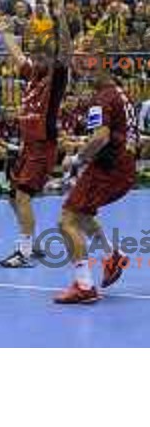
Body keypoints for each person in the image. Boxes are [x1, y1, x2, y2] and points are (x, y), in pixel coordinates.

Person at [55, 53, 138, 303]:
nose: (85, 72)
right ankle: (113, 255)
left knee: (66, 221)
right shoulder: (120, 94)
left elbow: (100, 138)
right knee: (83, 214)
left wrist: (77, 159)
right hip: (123, 167)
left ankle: (84, 286)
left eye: (90, 67)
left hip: (107, 169)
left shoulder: (101, 99)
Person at [0, 14, 69, 268]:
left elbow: (65, 55)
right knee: (12, 196)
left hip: (42, 146)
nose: (37, 62)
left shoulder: (56, 76)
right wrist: (5, 32)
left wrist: (62, 24)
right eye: (35, 57)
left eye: (42, 58)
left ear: (51, 60)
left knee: (23, 197)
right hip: (27, 146)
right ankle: (32, 244)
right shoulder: (32, 75)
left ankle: (24, 253)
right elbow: (18, 55)